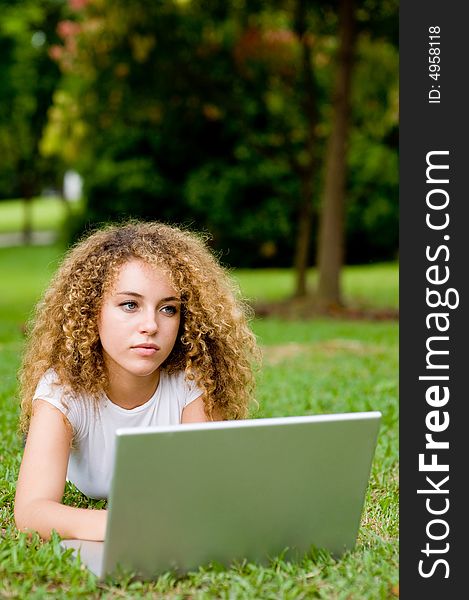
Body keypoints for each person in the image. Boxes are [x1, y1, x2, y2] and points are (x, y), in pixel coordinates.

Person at [14, 221, 260, 541]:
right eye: (130, 305)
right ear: (92, 311)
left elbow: (208, 492)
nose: (151, 325)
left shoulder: (193, 382)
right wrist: (123, 525)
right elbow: (32, 512)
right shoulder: (61, 390)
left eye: (168, 309)